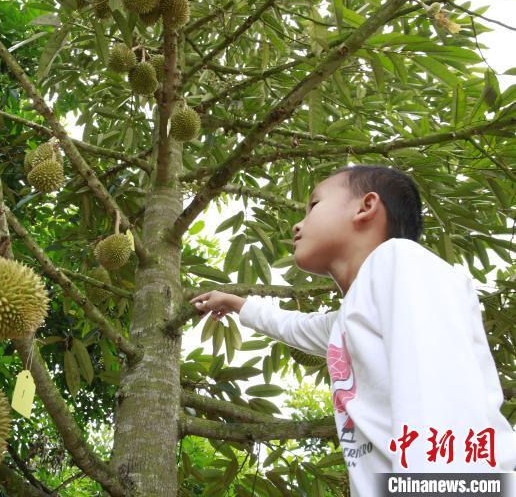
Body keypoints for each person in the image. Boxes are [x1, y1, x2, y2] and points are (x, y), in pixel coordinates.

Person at [189, 165, 516, 496]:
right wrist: (237, 303)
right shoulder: (354, 315)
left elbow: (444, 395)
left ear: (366, 207)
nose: (297, 224)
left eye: (314, 205)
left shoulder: (401, 262)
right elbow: (294, 326)